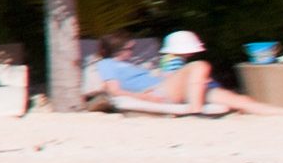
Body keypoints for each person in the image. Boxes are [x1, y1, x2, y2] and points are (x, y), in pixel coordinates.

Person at [91, 28, 260, 118]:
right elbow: (113, 90)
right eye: (129, 48)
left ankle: (278, 114)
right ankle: (195, 111)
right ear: (117, 49)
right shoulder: (107, 64)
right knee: (198, 66)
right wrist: (144, 97)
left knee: (241, 100)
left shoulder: (128, 65)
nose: (132, 51)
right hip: (160, 92)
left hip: (168, 87)